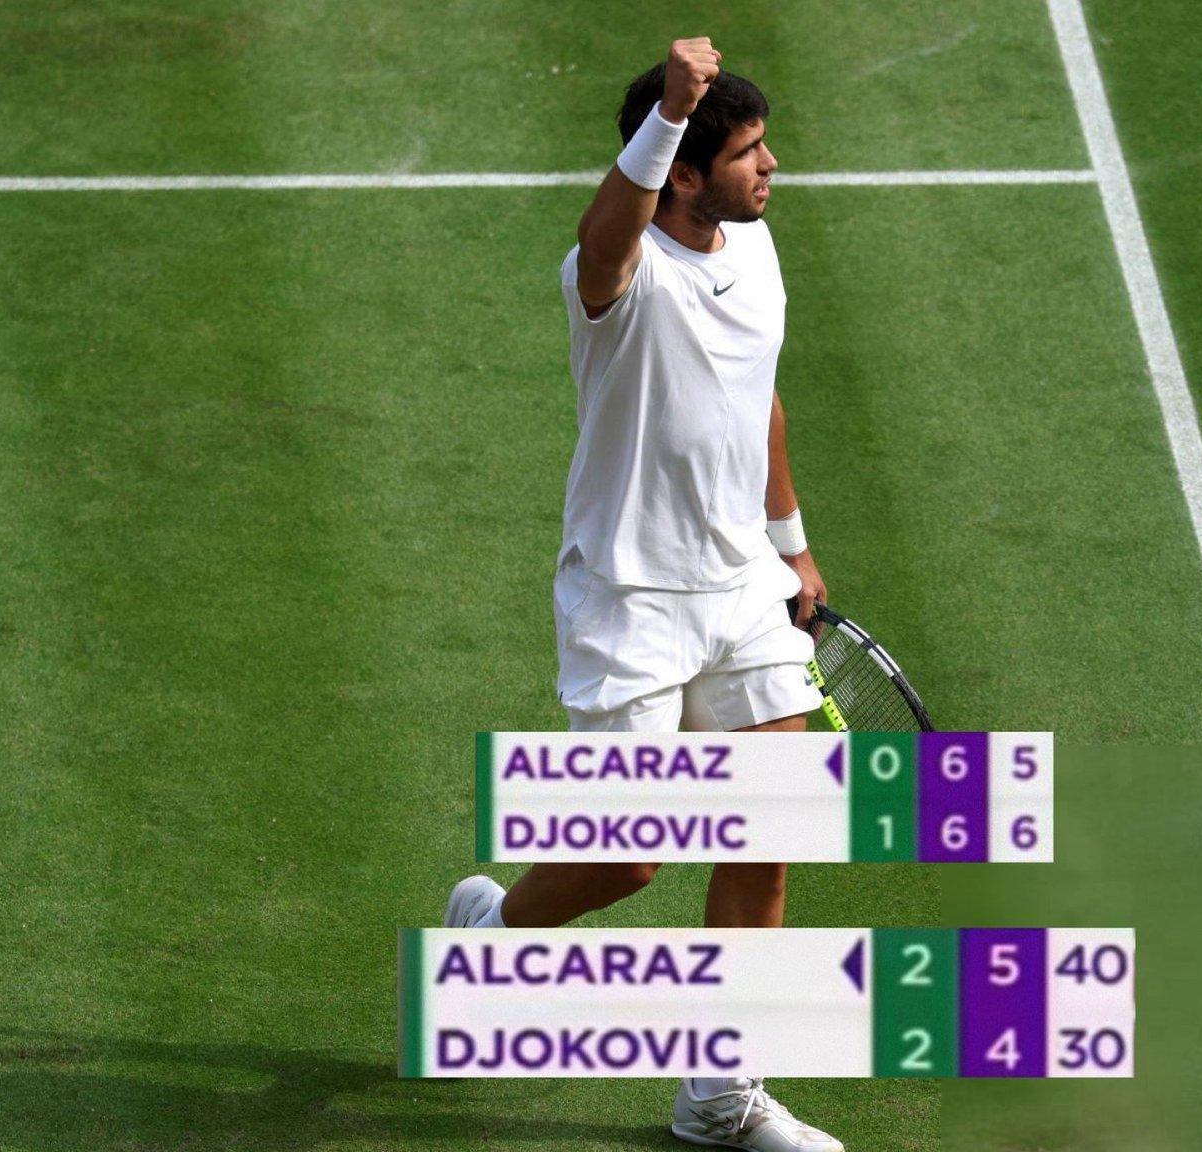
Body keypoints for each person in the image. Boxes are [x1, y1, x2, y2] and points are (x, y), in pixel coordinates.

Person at [444, 37, 845, 1152]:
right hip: (630, 597)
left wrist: (790, 543)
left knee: (765, 836)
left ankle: (718, 1097)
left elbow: (758, 394)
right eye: (748, 152)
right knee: (629, 852)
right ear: (681, 171)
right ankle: (493, 942)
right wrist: (668, 110)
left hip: (739, 585)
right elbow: (603, 239)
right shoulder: (613, 280)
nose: (770, 167)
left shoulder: (752, 247)